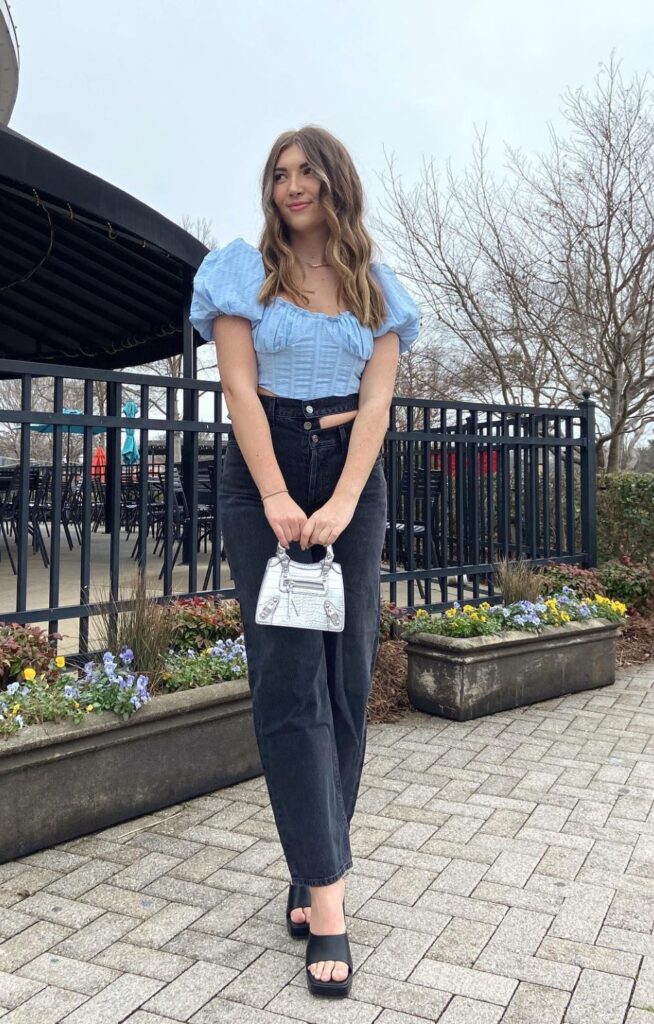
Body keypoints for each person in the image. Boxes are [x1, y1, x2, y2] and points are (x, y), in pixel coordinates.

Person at [190, 125, 420, 999]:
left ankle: (309, 862)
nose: (292, 186)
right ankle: (329, 903)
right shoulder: (239, 274)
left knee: (345, 682)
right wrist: (284, 499)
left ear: (335, 184)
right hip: (265, 479)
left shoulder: (377, 290)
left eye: (307, 172)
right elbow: (239, 387)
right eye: (279, 174)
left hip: (351, 484)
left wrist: (343, 501)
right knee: (289, 685)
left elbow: (377, 403)